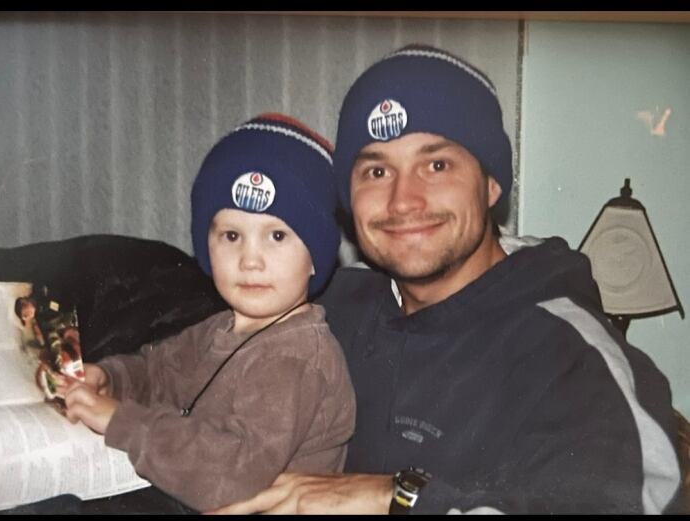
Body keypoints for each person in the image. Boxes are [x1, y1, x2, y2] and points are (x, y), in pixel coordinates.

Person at [212, 45, 682, 515]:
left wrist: (394, 497)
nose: (403, 200)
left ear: (491, 183)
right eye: (377, 170)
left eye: (436, 165)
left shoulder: (573, 357)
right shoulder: (324, 305)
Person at [59, 113, 356, 512]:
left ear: (315, 258)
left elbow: (231, 474)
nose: (250, 260)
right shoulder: (220, 328)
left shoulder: (296, 358)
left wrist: (120, 421)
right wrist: (110, 380)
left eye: (277, 236)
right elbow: (157, 370)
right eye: (232, 236)